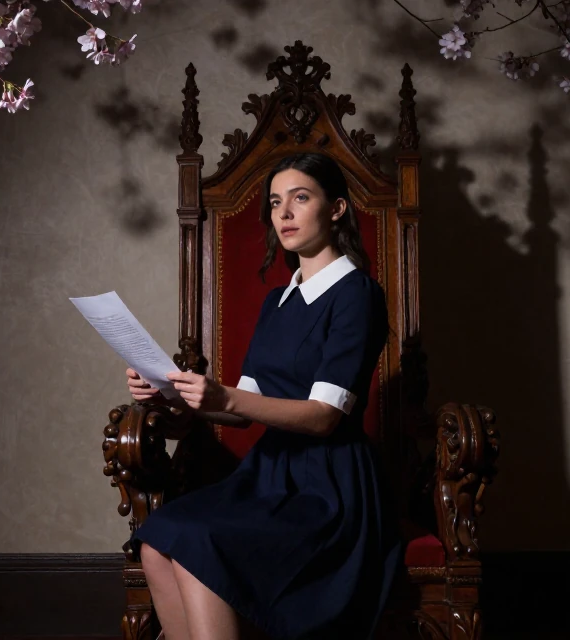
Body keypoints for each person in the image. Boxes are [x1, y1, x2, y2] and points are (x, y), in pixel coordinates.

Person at [122, 152, 402, 639]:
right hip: (268, 477)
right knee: (156, 541)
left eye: (300, 198)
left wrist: (224, 398)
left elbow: (323, 419)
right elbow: (240, 405)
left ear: (335, 209)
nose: (284, 214)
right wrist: (168, 394)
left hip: (329, 488)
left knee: (200, 547)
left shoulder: (358, 294)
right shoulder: (279, 300)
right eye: (275, 203)